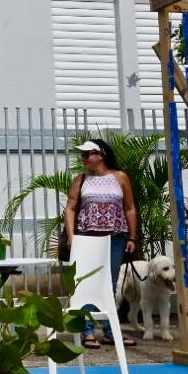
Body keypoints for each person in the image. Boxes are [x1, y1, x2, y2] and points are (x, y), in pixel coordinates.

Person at [63, 139, 139, 349]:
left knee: (110, 283)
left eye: (88, 154)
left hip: (114, 238)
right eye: (83, 155)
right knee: (86, 282)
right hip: (87, 237)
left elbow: (130, 208)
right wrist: (72, 237)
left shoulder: (120, 177)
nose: (85, 158)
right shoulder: (81, 180)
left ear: (101, 154)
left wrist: (132, 237)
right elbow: (70, 208)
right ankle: (87, 331)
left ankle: (109, 330)